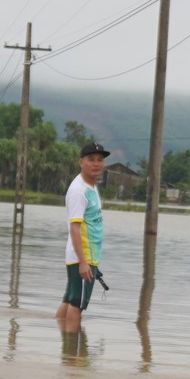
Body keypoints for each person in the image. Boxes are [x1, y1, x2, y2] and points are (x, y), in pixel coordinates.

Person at [58, 142, 110, 332]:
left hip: (87, 256)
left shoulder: (91, 186)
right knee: (77, 305)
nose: (96, 164)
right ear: (81, 162)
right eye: (91, 160)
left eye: (100, 160)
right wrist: (83, 262)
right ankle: (74, 354)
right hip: (83, 257)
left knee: (70, 299)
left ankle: (64, 344)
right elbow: (75, 228)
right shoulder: (79, 190)